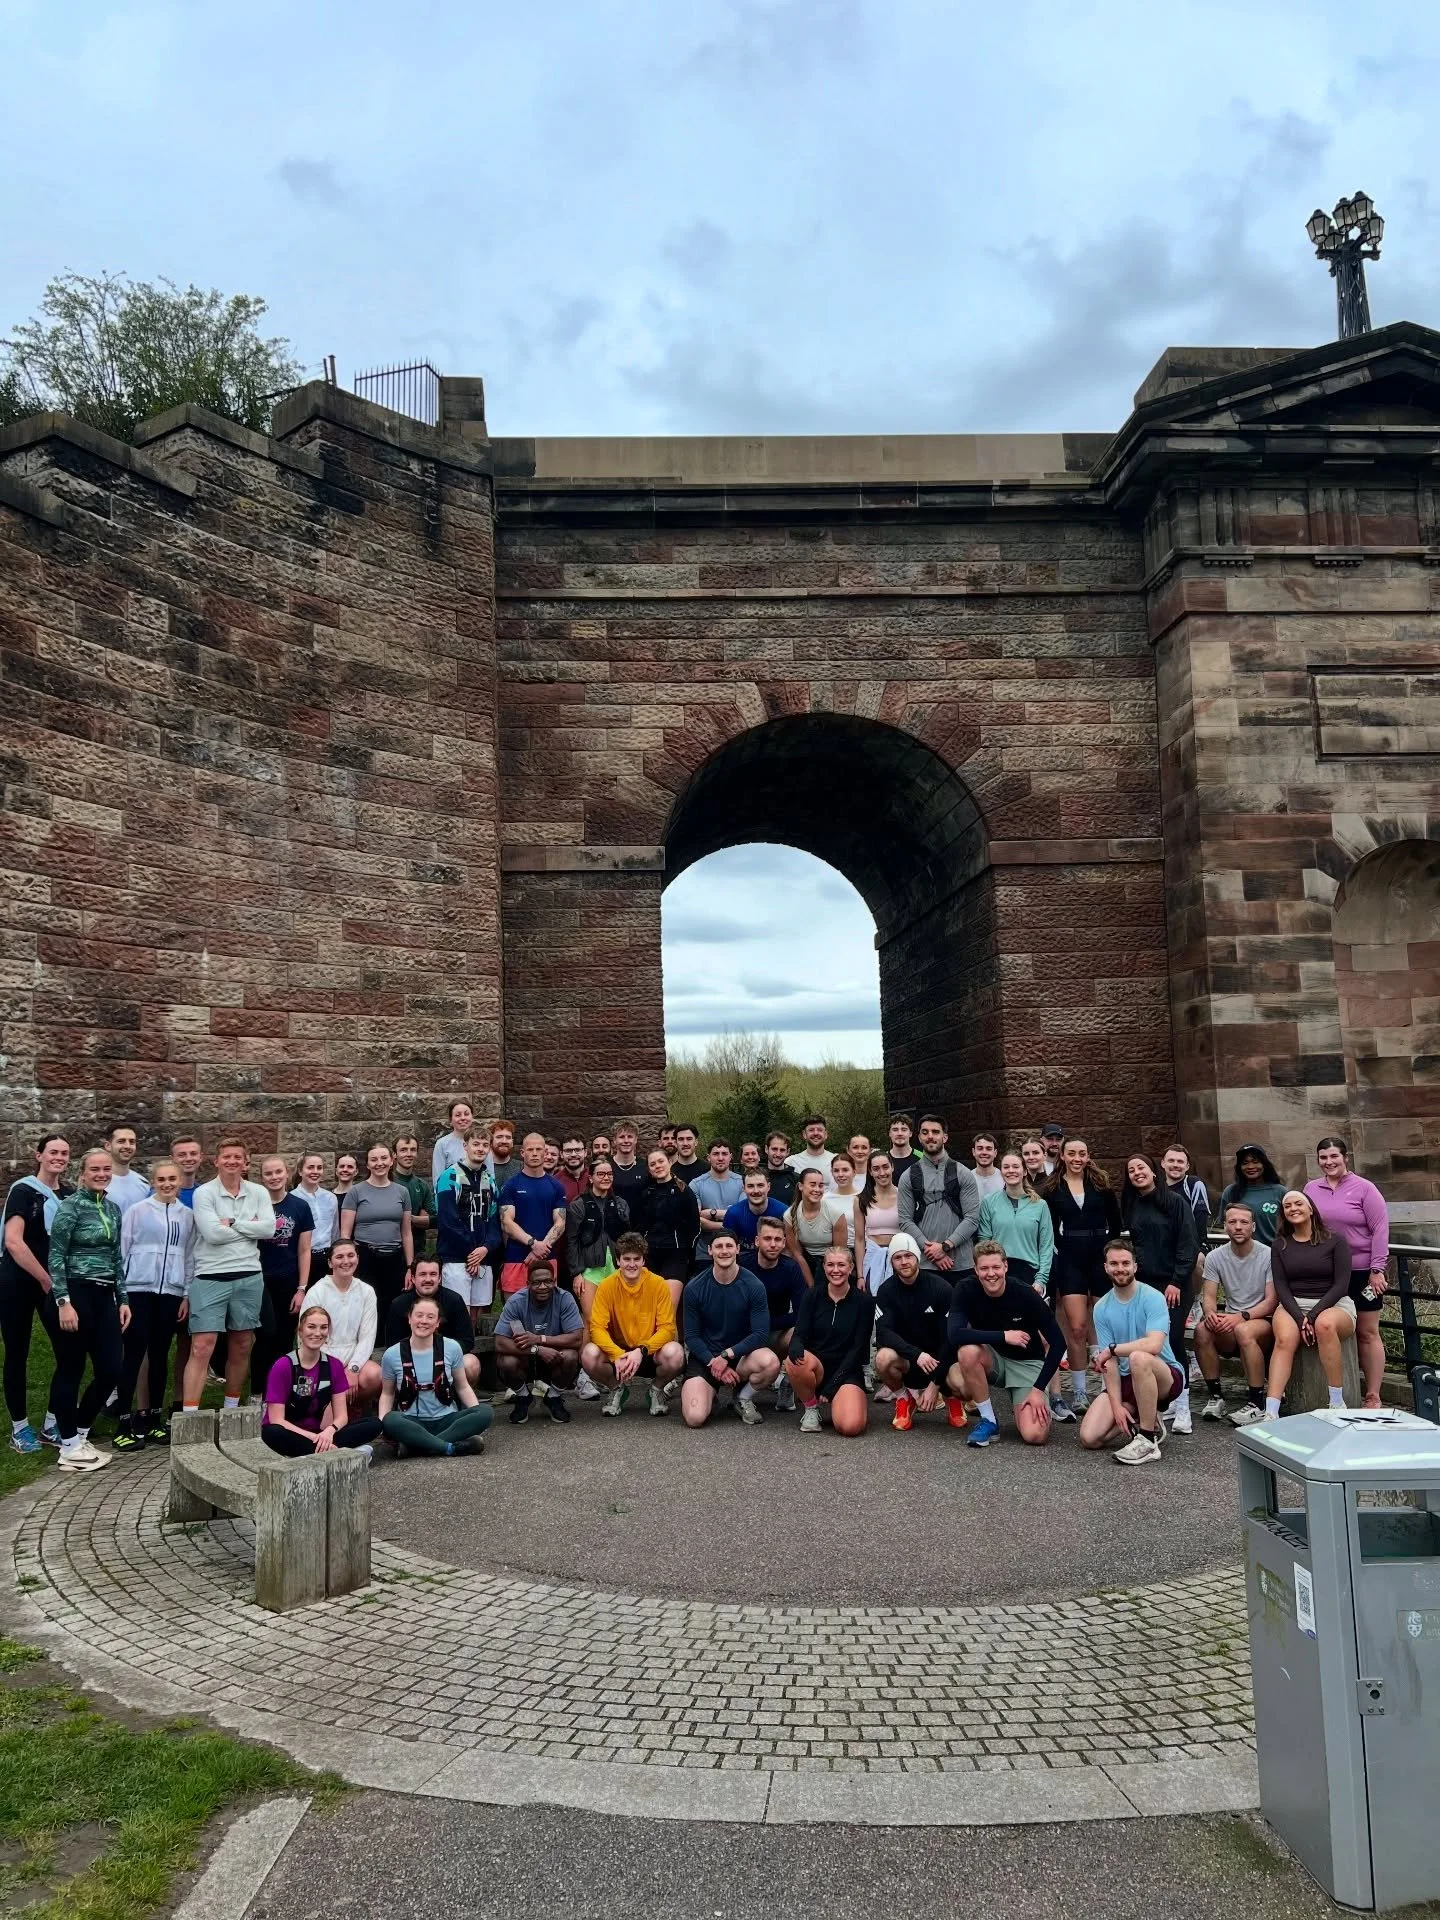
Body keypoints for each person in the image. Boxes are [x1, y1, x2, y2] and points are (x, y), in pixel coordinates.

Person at [47, 1147, 129, 1472]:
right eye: (95, 1169)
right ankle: (67, 1445)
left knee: (112, 1368)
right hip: (75, 1293)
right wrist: (63, 1302)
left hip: (104, 1294)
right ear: (82, 1173)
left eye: (106, 1169)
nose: (101, 1174)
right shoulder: (70, 1207)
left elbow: (116, 1257)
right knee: (71, 1368)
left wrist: (123, 1299)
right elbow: (56, 1255)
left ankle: (80, 1435)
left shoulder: (112, 1209)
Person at [185, 1138, 275, 1410]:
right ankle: (190, 1415)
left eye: (238, 1157)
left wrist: (233, 1223)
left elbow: (269, 1229)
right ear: (216, 1161)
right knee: (202, 1346)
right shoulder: (205, 1193)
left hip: (249, 1274)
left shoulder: (258, 1192)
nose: (232, 1161)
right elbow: (212, 1234)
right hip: (211, 1275)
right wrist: (250, 1227)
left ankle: (231, 1410)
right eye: (226, 1157)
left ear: (246, 1162)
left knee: (243, 1343)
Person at [113, 1159, 196, 1450]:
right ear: (153, 1182)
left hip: (170, 1293)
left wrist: (185, 1294)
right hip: (138, 1290)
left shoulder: (187, 1216)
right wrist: (120, 1294)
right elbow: (121, 1251)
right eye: (161, 1179)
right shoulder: (138, 1211)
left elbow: (189, 1256)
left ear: (179, 1181)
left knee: (160, 1356)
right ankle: (124, 1421)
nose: (167, 1184)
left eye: (172, 1179)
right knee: (134, 1355)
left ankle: (153, 1420)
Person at [949, 1240, 1064, 1447]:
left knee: (1034, 1435)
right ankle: (988, 1420)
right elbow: (954, 1334)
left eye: (996, 1267)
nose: (990, 1273)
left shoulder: (1025, 1293)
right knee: (967, 1352)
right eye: (984, 1268)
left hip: (1027, 1365)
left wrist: (1038, 1389)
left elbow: (1058, 1344)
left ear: (1005, 1266)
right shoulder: (965, 1288)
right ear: (976, 1270)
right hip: (993, 1360)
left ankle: (1023, 1403)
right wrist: (1003, 1336)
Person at [1080, 1239, 1184, 1465]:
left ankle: (1147, 1440)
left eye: (1125, 1263)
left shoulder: (1153, 1297)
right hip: (1128, 1379)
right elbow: (1110, 1364)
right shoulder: (1102, 1307)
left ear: (1135, 1267)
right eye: (1114, 1263)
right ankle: (1140, 1415)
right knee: (1090, 1438)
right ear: (1106, 1267)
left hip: (1164, 1375)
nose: (1120, 1268)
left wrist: (1113, 1350)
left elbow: (1154, 1345)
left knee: (1138, 1357)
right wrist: (1117, 1407)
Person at [1304, 1138, 1390, 1409]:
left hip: (1362, 1271)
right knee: (1326, 1327)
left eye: (1334, 1156)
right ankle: (1334, 1394)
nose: (1329, 1162)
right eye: (1323, 1157)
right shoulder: (1310, 1189)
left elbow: (1380, 1229)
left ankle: (1373, 1394)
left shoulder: (1365, 1188)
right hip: (1327, 1272)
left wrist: (1377, 1269)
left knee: (1367, 1332)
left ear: (1345, 1158)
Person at [1119, 1153, 1200, 1434]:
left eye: (1141, 1167)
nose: (1137, 1172)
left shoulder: (1175, 1202)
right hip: (1145, 1285)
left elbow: (1188, 1243)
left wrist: (1177, 1280)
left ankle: (1184, 1407)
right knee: (1150, 1344)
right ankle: (1164, 1401)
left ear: (1154, 1171)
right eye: (1131, 1170)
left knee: (1172, 1339)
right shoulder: (1132, 1204)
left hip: (1173, 1284)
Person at [1, 1134, 70, 1454]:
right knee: (18, 1352)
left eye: (64, 1153)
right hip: (18, 1281)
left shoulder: (69, 1195)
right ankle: (19, 1429)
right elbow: (13, 1241)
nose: (59, 1157)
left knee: (68, 1351)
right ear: (39, 1155)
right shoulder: (23, 1191)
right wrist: (45, 1279)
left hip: (53, 1282)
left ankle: (51, 1424)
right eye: (53, 1151)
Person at [1044, 1137, 1121, 1422]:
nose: (1077, 1158)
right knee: (1076, 1328)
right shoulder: (1052, 1188)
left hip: (1100, 1257)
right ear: (1063, 1156)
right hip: (1070, 1259)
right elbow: (1050, 1228)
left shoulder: (1101, 1184)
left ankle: (1107, 1386)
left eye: (1082, 1153)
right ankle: (1079, 1391)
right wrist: (1061, 1250)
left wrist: (1110, 1253)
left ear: (1088, 1157)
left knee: (1104, 1324)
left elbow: (1116, 1223)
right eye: (1072, 1153)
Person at [1263, 1189, 1356, 1420]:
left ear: (1311, 1209)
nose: (1293, 1209)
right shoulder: (1280, 1245)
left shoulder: (1336, 1240)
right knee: (1284, 1339)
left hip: (1333, 1303)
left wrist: (1312, 1316)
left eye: (1298, 1204)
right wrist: (1299, 1318)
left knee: (1325, 1325)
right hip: (1293, 1304)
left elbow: (1341, 1285)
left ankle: (1336, 1402)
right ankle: (1271, 1410)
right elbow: (1281, 1286)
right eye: (1287, 1206)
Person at [680, 1232, 780, 1427]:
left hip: (740, 1357)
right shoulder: (694, 1287)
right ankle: (710, 1397)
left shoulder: (754, 1285)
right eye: (719, 1246)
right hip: (706, 1359)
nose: (724, 1251)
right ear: (710, 1251)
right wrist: (713, 1362)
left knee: (770, 1362)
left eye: (729, 1246)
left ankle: (743, 1397)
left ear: (737, 1249)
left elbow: (760, 1334)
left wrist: (726, 1356)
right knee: (694, 1418)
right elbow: (691, 1336)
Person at [580, 1233, 685, 1416]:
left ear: (643, 1261)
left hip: (649, 1351)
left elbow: (667, 1328)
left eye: (637, 1259)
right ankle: (616, 1388)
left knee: (675, 1353)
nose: (632, 1264)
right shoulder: (606, 1286)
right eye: (626, 1259)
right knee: (589, 1354)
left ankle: (656, 1390)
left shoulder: (658, 1284)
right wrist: (617, 1354)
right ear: (618, 1261)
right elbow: (597, 1328)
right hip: (619, 1353)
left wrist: (641, 1351)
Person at [261, 1303, 382, 1458]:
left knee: (374, 1424)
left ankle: (318, 1453)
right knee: (272, 1432)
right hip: (290, 1432)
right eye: (311, 1327)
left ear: (328, 1332)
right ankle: (340, 1453)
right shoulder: (283, 1365)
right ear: (300, 1330)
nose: (317, 1333)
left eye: (323, 1328)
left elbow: (341, 1417)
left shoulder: (334, 1365)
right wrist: (314, 1438)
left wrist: (329, 1431)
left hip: (320, 1433)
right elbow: (277, 1420)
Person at [1194, 1201, 1277, 1426]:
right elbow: (1209, 1296)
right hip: (1232, 1320)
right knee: (1202, 1330)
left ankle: (1257, 1403)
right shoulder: (1215, 1257)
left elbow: (1271, 1302)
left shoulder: (1268, 1255)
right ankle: (1216, 1397)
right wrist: (1210, 1314)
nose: (1238, 1226)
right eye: (1232, 1222)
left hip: (1261, 1321)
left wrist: (1241, 1317)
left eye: (1244, 1222)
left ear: (1253, 1227)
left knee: (1244, 1331)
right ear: (1225, 1226)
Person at [379, 1294, 493, 1457]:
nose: (424, 1321)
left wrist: (474, 1412)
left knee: (485, 1412)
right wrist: (383, 1424)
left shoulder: (452, 1348)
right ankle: (450, 1447)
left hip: (447, 1419)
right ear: (410, 1318)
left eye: (430, 1317)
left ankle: (418, 1446)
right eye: (419, 1315)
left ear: (438, 1322)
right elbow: (387, 1393)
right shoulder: (392, 1354)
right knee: (391, 1420)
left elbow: (462, 1386)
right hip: (411, 1421)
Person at [872, 1232, 962, 1430]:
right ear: (891, 1262)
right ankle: (904, 1399)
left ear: (917, 1258)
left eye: (908, 1256)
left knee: (964, 1382)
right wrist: (917, 1355)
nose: (904, 1262)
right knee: (883, 1358)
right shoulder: (886, 1291)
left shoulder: (941, 1288)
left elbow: (951, 1338)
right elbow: (884, 1333)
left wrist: (935, 1384)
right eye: (897, 1257)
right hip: (909, 1360)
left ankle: (951, 1397)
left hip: (940, 1361)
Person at [784, 1245, 874, 1436]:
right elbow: (800, 1334)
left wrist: (833, 1385)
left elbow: (858, 1349)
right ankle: (810, 1408)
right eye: (830, 1265)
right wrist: (795, 1345)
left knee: (850, 1427)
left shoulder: (864, 1302)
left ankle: (841, 1402)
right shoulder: (812, 1295)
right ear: (824, 1267)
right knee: (794, 1361)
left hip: (847, 1370)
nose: (835, 1270)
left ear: (851, 1268)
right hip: (817, 1367)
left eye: (841, 1265)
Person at [494, 1259, 583, 1422]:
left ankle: (553, 1397)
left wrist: (539, 1339)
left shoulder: (565, 1298)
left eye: (548, 1281)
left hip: (554, 1358)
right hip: (525, 1358)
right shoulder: (516, 1302)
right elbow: (500, 1342)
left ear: (554, 1281)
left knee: (570, 1356)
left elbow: (577, 1338)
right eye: (537, 1282)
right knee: (507, 1361)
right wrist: (538, 1349)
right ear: (528, 1284)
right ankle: (523, 1396)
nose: (543, 1286)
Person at [896, 1115, 980, 1286]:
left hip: (960, 1262)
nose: (930, 1136)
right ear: (919, 1137)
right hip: (925, 1263)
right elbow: (905, 1220)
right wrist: (930, 1251)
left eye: (935, 1132)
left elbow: (972, 1218)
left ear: (945, 1137)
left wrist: (945, 1247)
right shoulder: (909, 1176)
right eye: (925, 1132)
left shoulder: (963, 1173)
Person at [254, 1154, 313, 1391]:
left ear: (287, 1173)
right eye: (268, 1173)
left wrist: (302, 1288)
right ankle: (258, 1390)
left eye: (278, 1172)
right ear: (262, 1178)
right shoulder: (255, 1205)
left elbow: (304, 1250)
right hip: (259, 1280)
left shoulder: (300, 1206)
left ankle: (283, 1389)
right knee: (264, 1335)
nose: (274, 1177)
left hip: (288, 1280)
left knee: (285, 1336)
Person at [301, 1239, 383, 1408]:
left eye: (350, 1255)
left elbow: (367, 1337)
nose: (346, 1261)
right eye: (339, 1257)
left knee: (374, 1375)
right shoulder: (317, 1292)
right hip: (321, 1358)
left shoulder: (367, 1292)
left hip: (353, 1356)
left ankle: (350, 1409)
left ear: (357, 1259)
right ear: (330, 1263)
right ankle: (329, 1413)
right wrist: (336, 1370)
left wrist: (353, 1368)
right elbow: (306, 1337)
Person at [339, 1144, 414, 1326]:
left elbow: (406, 1233)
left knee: (394, 1309)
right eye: (374, 1159)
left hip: (394, 1259)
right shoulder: (356, 1192)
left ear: (391, 1160)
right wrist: (348, 1263)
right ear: (367, 1164)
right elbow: (345, 1235)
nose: (379, 1163)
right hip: (365, 1258)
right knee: (366, 1309)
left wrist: (410, 1267)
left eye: (383, 1158)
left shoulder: (402, 1192)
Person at [380, 1256, 480, 1388]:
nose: (428, 1279)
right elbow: (392, 1343)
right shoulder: (399, 1304)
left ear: (440, 1278)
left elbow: (467, 1341)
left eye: (433, 1274)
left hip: (447, 1357)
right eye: (422, 1274)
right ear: (413, 1278)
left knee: (471, 1363)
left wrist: (439, 1354)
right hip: (410, 1359)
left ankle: (458, 1396)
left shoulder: (454, 1300)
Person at [434, 1130, 502, 1325]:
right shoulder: (449, 1177)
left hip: (483, 1257)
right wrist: (471, 1252)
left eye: (485, 1145)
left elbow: (494, 1220)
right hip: (456, 1257)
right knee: (457, 1312)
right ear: (465, 1146)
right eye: (476, 1144)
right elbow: (447, 1221)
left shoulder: (490, 1181)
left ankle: (471, 1345)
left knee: (476, 1314)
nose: (480, 1149)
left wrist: (486, 1248)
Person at [739, 1217, 808, 1405]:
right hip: (743, 1335)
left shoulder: (791, 1268)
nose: (773, 1244)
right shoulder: (741, 1264)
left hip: (775, 1332)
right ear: (757, 1241)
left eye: (778, 1240)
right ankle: (729, 1389)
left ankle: (788, 1382)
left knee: (803, 1332)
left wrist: (765, 1324)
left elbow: (801, 1313)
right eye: (767, 1238)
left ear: (784, 1243)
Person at [500, 1132, 569, 1297]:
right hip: (517, 1258)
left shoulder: (556, 1186)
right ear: (522, 1153)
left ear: (545, 1152)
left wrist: (541, 1248)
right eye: (530, 1150)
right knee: (514, 1310)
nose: (535, 1153)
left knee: (547, 1308)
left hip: (547, 1259)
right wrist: (533, 1244)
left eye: (539, 1149)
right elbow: (506, 1223)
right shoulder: (511, 1185)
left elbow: (560, 1222)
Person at [976, 1152, 1054, 1293]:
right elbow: (984, 1241)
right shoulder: (989, 1202)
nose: (1011, 1170)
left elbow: (1046, 1246)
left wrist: (1041, 1280)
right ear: (1001, 1172)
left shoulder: (1040, 1205)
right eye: (1006, 1167)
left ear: (1024, 1171)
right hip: (998, 1272)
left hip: (1029, 1273)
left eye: (1015, 1167)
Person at [630, 1149, 700, 1304]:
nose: (658, 1166)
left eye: (661, 1161)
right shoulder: (645, 1193)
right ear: (649, 1169)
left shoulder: (684, 1191)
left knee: (667, 1307)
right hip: (649, 1255)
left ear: (670, 1162)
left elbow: (695, 1225)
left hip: (675, 1254)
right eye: (653, 1164)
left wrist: (688, 1253)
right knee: (648, 1308)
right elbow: (637, 1225)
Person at [565, 1157, 630, 1311]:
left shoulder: (621, 1204)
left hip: (616, 1268)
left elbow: (628, 1239)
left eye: (609, 1174)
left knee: (616, 1317)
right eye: (600, 1174)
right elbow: (572, 1241)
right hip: (589, 1269)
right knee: (590, 1318)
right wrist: (576, 1273)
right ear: (590, 1178)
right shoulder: (578, 1205)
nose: (606, 1177)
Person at [689, 1140, 744, 1269]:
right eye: (716, 1154)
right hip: (704, 1254)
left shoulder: (742, 1182)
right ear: (708, 1157)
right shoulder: (696, 1184)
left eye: (724, 1154)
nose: (720, 1158)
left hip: (735, 1252)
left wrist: (712, 1213)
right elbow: (696, 1221)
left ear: (730, 1157)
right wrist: (731, 1220)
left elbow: (742, 1217)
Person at [1219, 1144, 1287, 1248]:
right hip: (1241, 1253)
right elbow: (1223, 1226)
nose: (1250, 1167)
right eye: (1245, 1163)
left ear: (1264, 1164)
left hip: (1274, 1253)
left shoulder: (1280, 1192)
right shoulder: (1230, 1192)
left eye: (1255, 1162)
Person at [785, 1167, 842, 1285]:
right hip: (805, 1261)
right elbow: (797, 1255)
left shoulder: (836, 1214)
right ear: (800, 1186)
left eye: (820, 1185)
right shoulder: (789, 1216)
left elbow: (839, 1253)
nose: (817, 1189)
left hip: (831, 1263)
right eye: (812, 1185)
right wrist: (811, 1287)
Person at [858, 1151, 901, 1293]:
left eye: (885, 1167)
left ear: (892, 1167)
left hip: (899, 1257)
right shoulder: (861, 1200)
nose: (882, 1173)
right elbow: (859, 1239)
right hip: (872, 1258)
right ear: (870, 1172)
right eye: (876, 1169)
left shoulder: (904, 1196)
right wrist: (860, 1275)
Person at [293, 1152, 339, 1280]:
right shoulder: (292, 1198)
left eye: (319, 1168)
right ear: (300, 1171)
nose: (315, 1171)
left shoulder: (331, 1198)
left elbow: (335, 1231)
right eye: (310, 1167)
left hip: (327, 1257)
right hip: (302, 1257)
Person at [721, 1170, 786, 1255]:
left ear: (768, 1187)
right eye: (750, 1186)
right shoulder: (733, 1214)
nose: (756, 1191)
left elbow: (788, 1249)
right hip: (742, 1260)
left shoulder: (783, 1212)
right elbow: (727, 1247)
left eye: (760, 1185)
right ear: (744, 1188)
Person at [824, 1152, 867, 1278]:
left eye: (845, 1170)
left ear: (854, 1172)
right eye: (836, 1171)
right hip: (833, 1253)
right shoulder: (824, 1199)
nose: (840, 1174)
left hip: (860, 1252)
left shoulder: (863, 1197)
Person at [1161, 1145, 1212, 1251]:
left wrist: (1199, 1249)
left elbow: (1200, 1219)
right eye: (1171, 1160)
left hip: (1188, 1249)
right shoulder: (1157, 1187)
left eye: (1180, 1161)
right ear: (1163, 1163)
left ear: (1187, 1166)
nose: (1175, 1165)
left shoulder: (1194, 1184)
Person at [391, 1136, 435, 1252]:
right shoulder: (388, 1181)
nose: (409, 1154)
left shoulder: (422, 1185)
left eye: (413, 1150)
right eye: (403, 1150)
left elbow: (436, 1219)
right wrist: (421, 1219)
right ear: (394, 1154)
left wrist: (412, 1219)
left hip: (417, 1247)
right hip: (391, 1247)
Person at [104, 1124, 151, 1214]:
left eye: (132, 1142)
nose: (127, 1146)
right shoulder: (98, 1182)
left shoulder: (143, 1184)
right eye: (121, 1141)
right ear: (108, 1146)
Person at [785, 1115, 835, 1189]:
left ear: (826, 1134)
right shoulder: (791, 1162)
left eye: (820, 1130)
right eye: (811, 1130)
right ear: (804, 1134)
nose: (815, 1133)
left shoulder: (836, 1161)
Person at [431, 1099, 474, 1183]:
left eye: (466, 1114)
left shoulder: (482, 1142)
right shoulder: (442, 1144)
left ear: (472, 1117)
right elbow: (438, 1179)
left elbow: (490, 1176)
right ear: (450, 1120)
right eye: (458, 1115)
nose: (463, 1118)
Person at [608, 1120, 648, 1205]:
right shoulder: (607, 1166)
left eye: (630, 1136)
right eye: (621, 1137)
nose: (626, 1141)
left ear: (636, 1140)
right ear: (614, 1140)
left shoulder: (645, 1166)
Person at [763, 1133, 797, 1208]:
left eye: (782, 1150)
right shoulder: (758, 1177)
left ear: (787, 1152)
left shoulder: (796, 1179)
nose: (778, 1154)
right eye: (774, 1149)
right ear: (766, 1149)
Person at [968, 1134, 1004, 1202]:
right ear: (973, 1152)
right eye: (980, 1148)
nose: (984, 1152)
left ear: (995, 1153)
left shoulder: (1004, 1178)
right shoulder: (967, 1179)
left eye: (989, 1149)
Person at [170, 1137, 204, 1207]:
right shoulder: (160, 1194)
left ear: (201, 1157)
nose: (188, 1158)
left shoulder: (206, 1192)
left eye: (193, 1154)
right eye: (181, 1155)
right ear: (172, 1159)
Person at [488, 1120, 520, 1189]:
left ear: (512, 1142)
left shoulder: (521, 1167)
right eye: (499, 1137)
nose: (504, 1141)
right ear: (491, 1141)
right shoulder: (482, 1167)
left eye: (508, 1137)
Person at [887, 1114, 918, 1179]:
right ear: (889, 1133)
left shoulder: (922, 1158)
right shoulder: (883, 1158)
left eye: (904, 1130)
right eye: (895, 1130)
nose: (899, 1133)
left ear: (910, 1133)